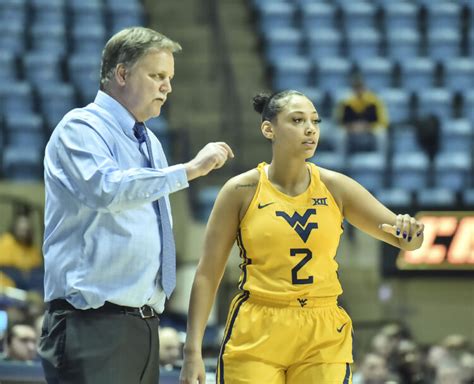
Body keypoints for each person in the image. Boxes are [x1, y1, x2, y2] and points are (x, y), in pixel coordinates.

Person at [179, 90, 424, 384]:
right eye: (297, 120)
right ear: (269, 129)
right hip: (259, 323)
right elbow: (207, 273)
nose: (310, 129)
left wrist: (411, 233)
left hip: (321, 327)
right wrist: (192, 349)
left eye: (315, 121)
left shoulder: (336, 186)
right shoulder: (240, 190)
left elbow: (404, 238)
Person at [38, 26, 233, 384]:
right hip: (92, 325)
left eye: (169, 78)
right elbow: (106, 189)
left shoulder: (149, 141)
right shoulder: (80, 128)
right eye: (157, 75)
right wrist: (188, 171)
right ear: (122, 74)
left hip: (143, 325)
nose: (167, 87)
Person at [335, 74, 388, 154]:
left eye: (361, 88)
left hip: (370, 128)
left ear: (365, 89)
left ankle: (380, 157)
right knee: (339, 134)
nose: (359, 91)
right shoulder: (346, 102)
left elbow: (383, 121)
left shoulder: (374, 101)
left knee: (381, 133)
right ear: (353, 90)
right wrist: (351, 127)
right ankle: (341, 158)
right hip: (351, 129)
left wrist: (367, 127)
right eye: (356, 89)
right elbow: (340, 121)